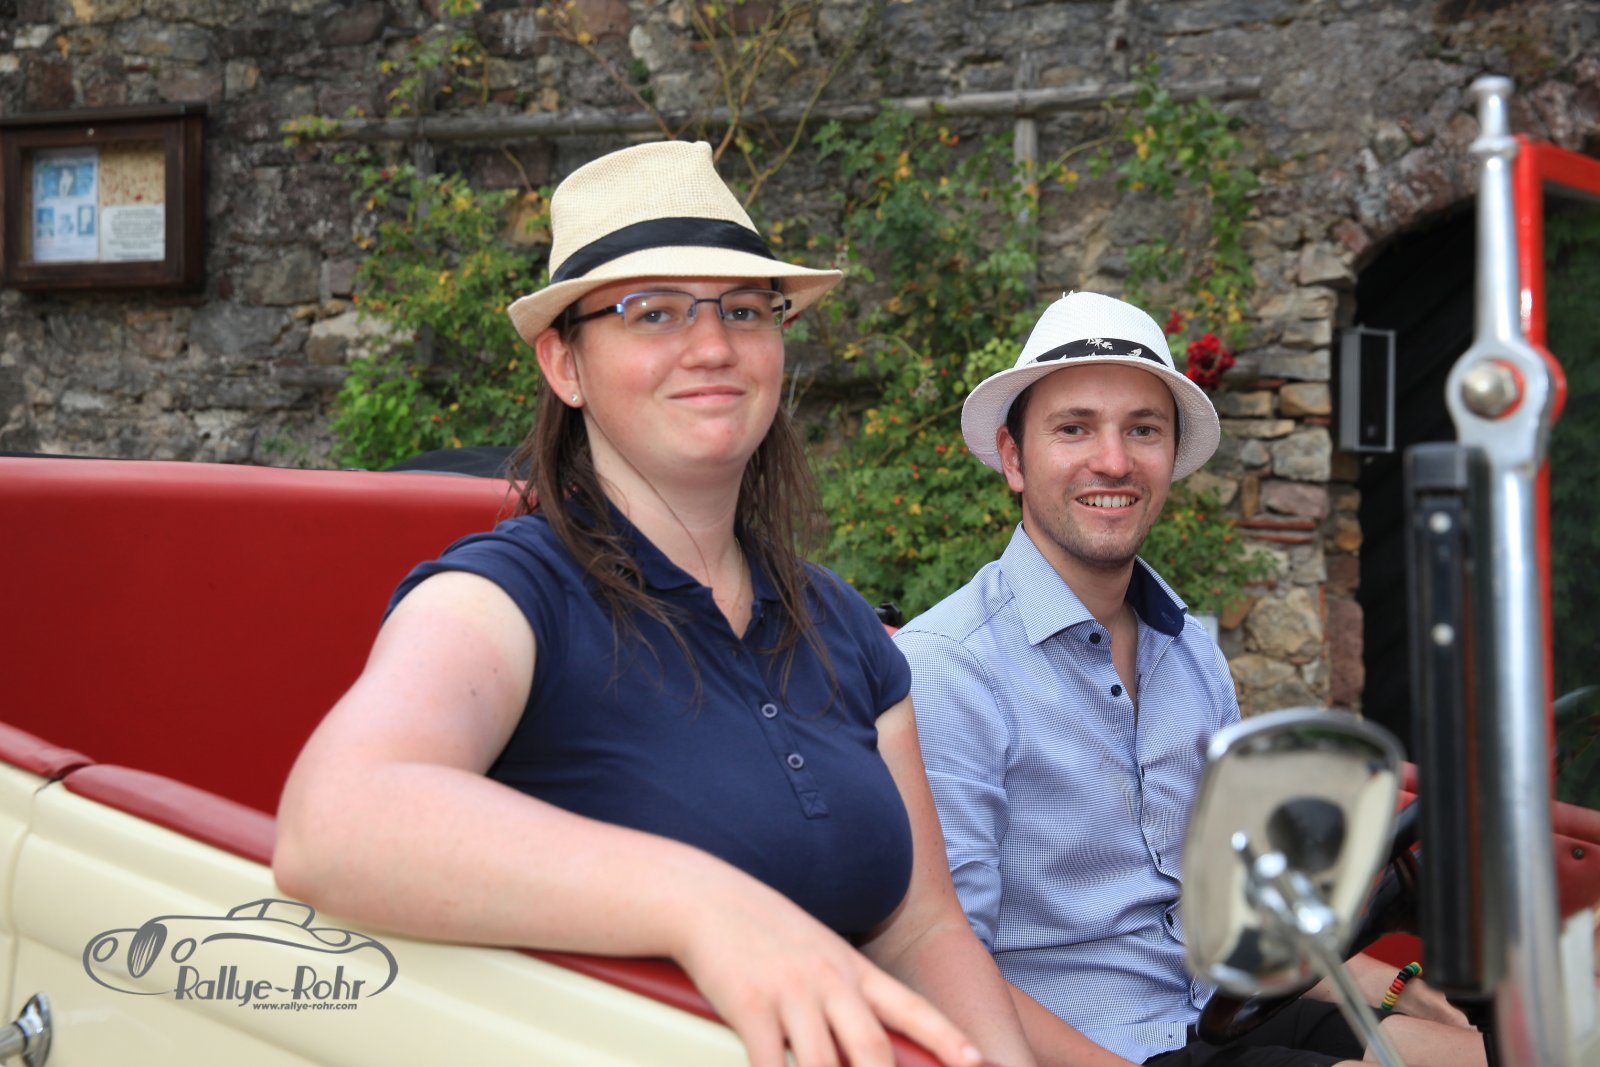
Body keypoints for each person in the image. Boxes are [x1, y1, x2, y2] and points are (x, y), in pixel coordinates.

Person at [275, 140, 1042, 1067]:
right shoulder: (506, 596)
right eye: (652, 311)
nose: (713, 346)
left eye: (745, 309)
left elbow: (922, 928)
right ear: (565, 364)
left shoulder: (845, 625)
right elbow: (333, 825)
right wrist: (700, 901)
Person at [893, 291, 1487, 1067]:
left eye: (1143, 429)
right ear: (1013, 457)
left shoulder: (1191, 653)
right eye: (1074, 428)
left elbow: (1233, 906)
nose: (1113, 460)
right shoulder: (950, 667)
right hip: (1098, 1048)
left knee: (1480, 1047)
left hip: (1216, 1016)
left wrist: (1393, 984)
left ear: (1171, 455)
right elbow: (942, 963)